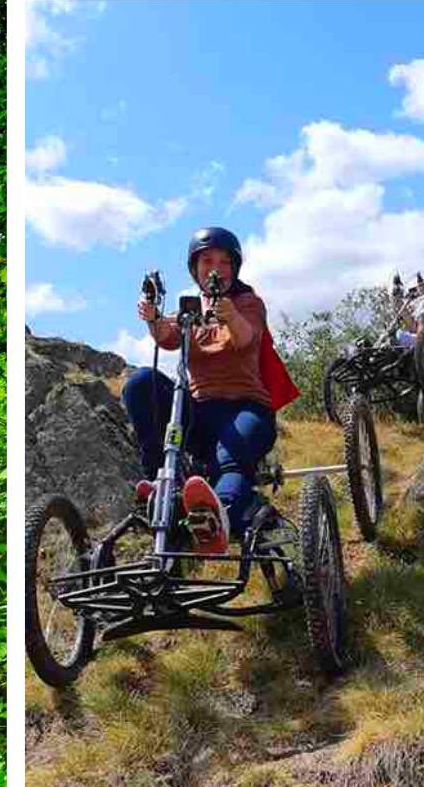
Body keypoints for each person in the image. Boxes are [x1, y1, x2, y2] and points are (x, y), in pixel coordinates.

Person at [123, 225, 295, 555]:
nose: (215, 267)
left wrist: (229, 317)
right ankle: (161, 485)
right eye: (206, 261)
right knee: (141, 383)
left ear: (235, 267)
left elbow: (245, 339)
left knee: (231, 456)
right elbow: (167, 338)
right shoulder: (190, 309)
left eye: (223, 261)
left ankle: (220, 515)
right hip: (198, 413)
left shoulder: (248, 303)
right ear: (195, 269)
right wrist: (152, 318)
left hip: (245, 407)